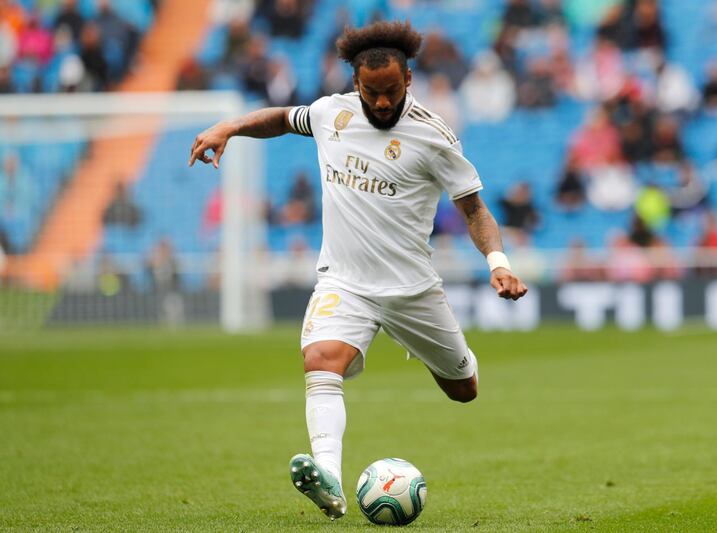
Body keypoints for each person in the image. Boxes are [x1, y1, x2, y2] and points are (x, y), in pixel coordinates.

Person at [188, 21, 527, 521]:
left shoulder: (434, 137)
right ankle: (328, 478)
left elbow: (474, 210)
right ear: (355, 84)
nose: (383, 103)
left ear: (408, 79)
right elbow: (281, 118)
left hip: (412, 289)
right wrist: (229, 126)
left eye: (391, 91)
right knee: (321, 360)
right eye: (372, 93)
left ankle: (456, 361)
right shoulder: (331, 113)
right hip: (345, 281)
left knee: (463, 390)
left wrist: (498, 264)